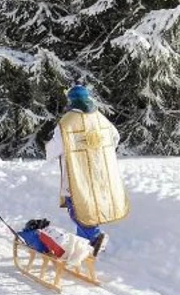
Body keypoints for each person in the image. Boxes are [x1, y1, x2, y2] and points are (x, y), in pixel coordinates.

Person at [44, 84, 128, 257]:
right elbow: (115, 137)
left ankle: (95, 237)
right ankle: (83, 249)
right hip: (98, 172)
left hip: (77, 174)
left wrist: (47, 148)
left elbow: (54, 149)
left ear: (71, 101)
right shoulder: (100, 118)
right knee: (88, 207)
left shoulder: (67, 121)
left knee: (76, 208)